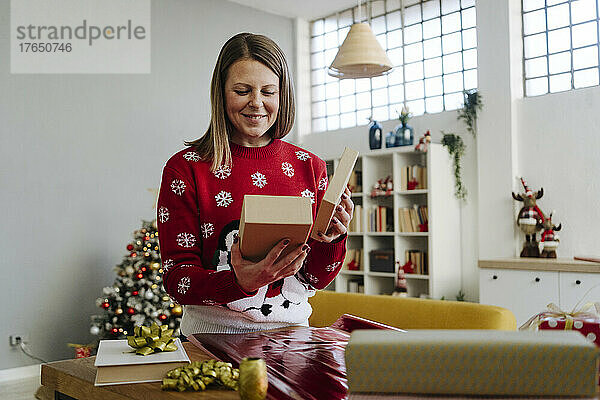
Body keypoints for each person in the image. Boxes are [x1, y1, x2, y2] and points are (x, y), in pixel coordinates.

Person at [156, 33, 354, 335]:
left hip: (293, 336)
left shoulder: (310, 167)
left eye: (268, 91)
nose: (256, 103)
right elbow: (177, 280)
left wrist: (333, 240)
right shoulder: (185, 169)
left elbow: (315, 279)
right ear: (221, 93)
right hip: (211, 338)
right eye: (242, 90)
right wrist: (238, 283)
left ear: (281, 96)